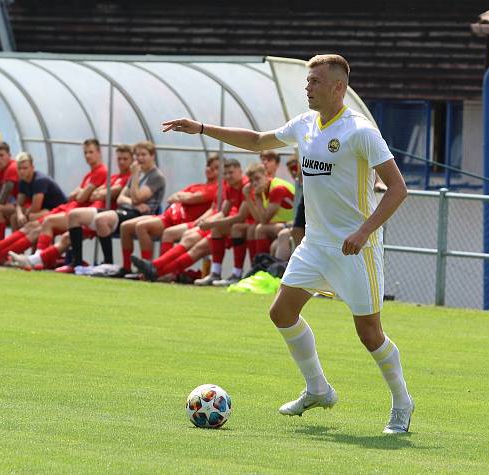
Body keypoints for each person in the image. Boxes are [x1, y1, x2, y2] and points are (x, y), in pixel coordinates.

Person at [162, 54, 413, 433]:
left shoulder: (360, 131)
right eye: (307, 80)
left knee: (369, 333)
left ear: (338, 87)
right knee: (281, 312)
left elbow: (398, 189)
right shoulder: (306, 124)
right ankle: (318, 389)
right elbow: (258, 140)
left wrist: (363, 232)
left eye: (315, 82)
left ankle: (402, 403)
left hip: (355, 250)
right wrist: (201, 128)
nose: (307, 87)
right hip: (314, 245)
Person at [9, 145, 133, 271]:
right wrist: (90, 193)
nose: (88, 155)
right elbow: (79, 196)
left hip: (98, 215)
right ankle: (26, 258)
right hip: (85, 212)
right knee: (37, 224)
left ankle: (11, 256)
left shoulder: (106, 173)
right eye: (119, 159)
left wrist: (88, 193)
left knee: (48, 225)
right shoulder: (109, 177)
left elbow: (87, 196)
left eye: (125, 159)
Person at [64, 141, 165, 274]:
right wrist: (133, 201)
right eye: (137, 155)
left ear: (152, 156)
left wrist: (134, 179)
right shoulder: (137, 173)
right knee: (74, 215)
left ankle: (108, 263)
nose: (140, 158)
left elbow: (137, 197)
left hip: (141, 215)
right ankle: (76, 263)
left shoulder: (155, 176)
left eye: (143, 155)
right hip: (127, 210)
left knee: (102, 220)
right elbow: (121, 198)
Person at [120, 153, 220, 278]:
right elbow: (172, 198)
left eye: (216, 168)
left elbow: (193, 199)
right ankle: (130, 268)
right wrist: (184, 197)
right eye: (209, 166)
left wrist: (183, 197)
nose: (210, 170)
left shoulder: (216, 188)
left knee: (141, 227)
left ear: (152, 156)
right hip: (168, 216)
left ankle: (153, 270)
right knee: (125, 226)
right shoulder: (197, 186)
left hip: (177, 220)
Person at [0, 152, 67, 266]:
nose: (22, 171)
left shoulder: (40, 180)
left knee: (31, 223)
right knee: (17, 217)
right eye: (19, 168)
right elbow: (19, 204)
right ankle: (2, 253)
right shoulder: (22, 181)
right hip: (48, 212)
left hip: (57, 211)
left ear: (32, 168)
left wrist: (26, 213)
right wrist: (20, 214)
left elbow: (35, 207)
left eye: (25, 168)